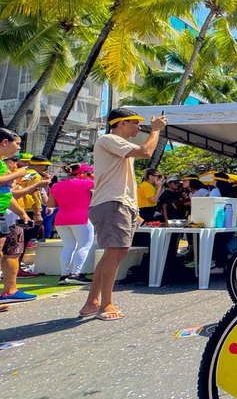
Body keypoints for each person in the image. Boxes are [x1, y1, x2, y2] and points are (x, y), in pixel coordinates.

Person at [78, 108, 166, 321]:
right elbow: (146, 151)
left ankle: (92, 302)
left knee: (113, 253)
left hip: (115, 203)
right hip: (112, 203)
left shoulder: (116, 144)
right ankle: (105, 304)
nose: (139, 127)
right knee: (115, 252)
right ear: (121, 123)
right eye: (135, 123)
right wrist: (155, 131)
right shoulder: (109, 139)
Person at [0, 129, 36, 309]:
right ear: (4, 142)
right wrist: (18, 174)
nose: (18, 149)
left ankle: (9, 292)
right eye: (17, 144)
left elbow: (6, 193)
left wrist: (22, 213)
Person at [48, 163, 95, 284]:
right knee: (84, 245)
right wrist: (91, 177)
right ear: (81, 173)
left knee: (68, 246)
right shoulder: (86, 183)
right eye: (87, 173)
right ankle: (75, 274)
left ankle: (64, 275)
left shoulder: (56, 186)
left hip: (61, 219)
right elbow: (103, 183)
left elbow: (50, 204)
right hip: (81, 218)